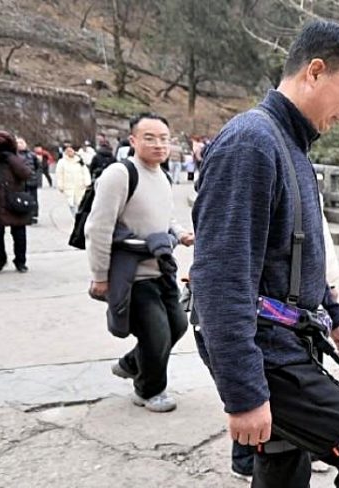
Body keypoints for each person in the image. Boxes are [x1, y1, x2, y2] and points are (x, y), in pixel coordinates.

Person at [191, 20, 339, 488]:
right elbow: (220, 278)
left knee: (285, 463)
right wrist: (244, 394)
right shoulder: (251, 142)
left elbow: (298, 256)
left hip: (292, 342)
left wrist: (334, 312)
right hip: (268, 353)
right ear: (314, 71)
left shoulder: (290, 147)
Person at [85, 113, 194, 412]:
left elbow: (165, 215)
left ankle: (132, 363)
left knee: (178, 324)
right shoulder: (119, 174)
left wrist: (180, 233)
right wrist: (100, 276)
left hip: (160, 267)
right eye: (149, 138)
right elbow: (98, 227)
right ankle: (149, 391)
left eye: (164, 139)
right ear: (133, 141)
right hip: (132, 274)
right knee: (156, 333)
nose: (159, 145)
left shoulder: (163, 175)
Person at [0, 132, 33, 273]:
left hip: (14, 201)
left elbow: (26, 174)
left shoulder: (14, 158)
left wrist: (11, 156)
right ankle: (0, 259)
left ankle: (20, 261)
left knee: (19, 233)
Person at [56, 143, 91, 216]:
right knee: (71, 203)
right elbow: (59, 174)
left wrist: (87, 182)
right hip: (68, 186)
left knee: (80, 202)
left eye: (71, 150)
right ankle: (75, 217)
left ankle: (79, 217)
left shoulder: (79, 160)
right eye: (68, 151)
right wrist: (60, 185)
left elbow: (85, 171)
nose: (70, 152)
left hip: (80, 185)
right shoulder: (62, 162)